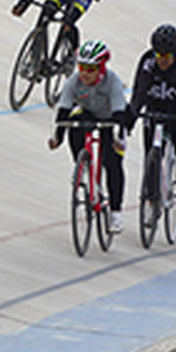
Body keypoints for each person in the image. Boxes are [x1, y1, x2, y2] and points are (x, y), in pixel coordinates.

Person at [47, 40, 130, 233]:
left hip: (112, 118)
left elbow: (120, 114)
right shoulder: (73, 82)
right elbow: (63, 112)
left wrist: (119, 138)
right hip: (88, 113)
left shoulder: (113, 81)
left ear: (101, 68)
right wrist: (57, 137)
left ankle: (116, 213)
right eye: (82, 67)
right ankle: (81, 165)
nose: (85, 73)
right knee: (74, 122)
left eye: (91, 69)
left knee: (113, 162)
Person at [128, 23, 176, 192]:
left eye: (167, 55)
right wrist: (128, 123)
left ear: (175, 53)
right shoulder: (147, 61)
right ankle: (151, 195)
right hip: (155, 101)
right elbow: (139, 93)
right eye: (158, 54)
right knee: (150, 151)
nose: (162, 59)